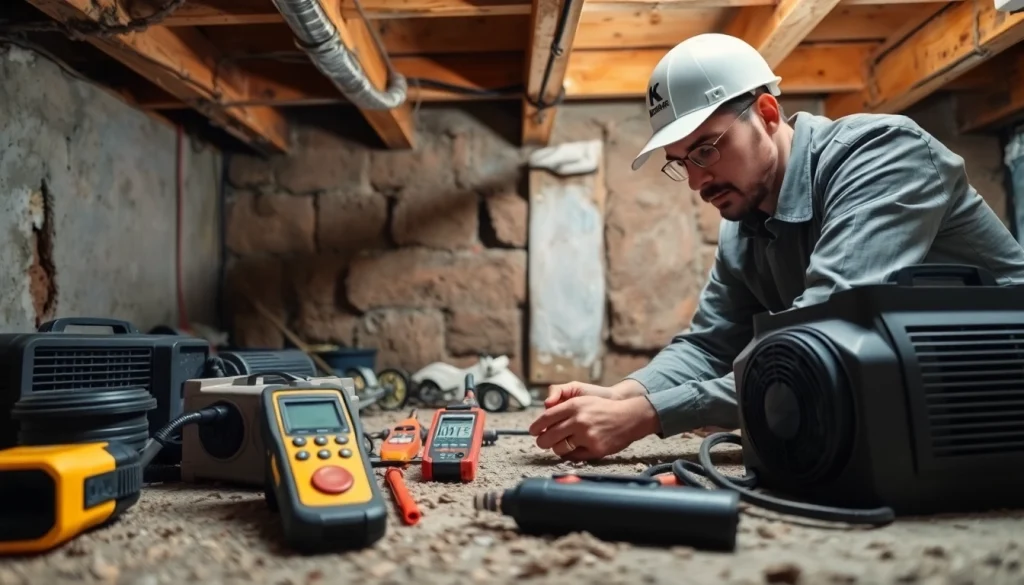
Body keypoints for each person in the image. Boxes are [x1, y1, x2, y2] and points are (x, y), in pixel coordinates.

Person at [528, 32, 1024, 461]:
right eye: (681, 161)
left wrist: (649, 415)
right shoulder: (743, 223)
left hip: (999, 380)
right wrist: (623, 395)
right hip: (917, 390)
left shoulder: (882, 156)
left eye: (706, 149)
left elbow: (826, 331)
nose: (696, 180)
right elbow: (708, 346)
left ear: (766, 112)